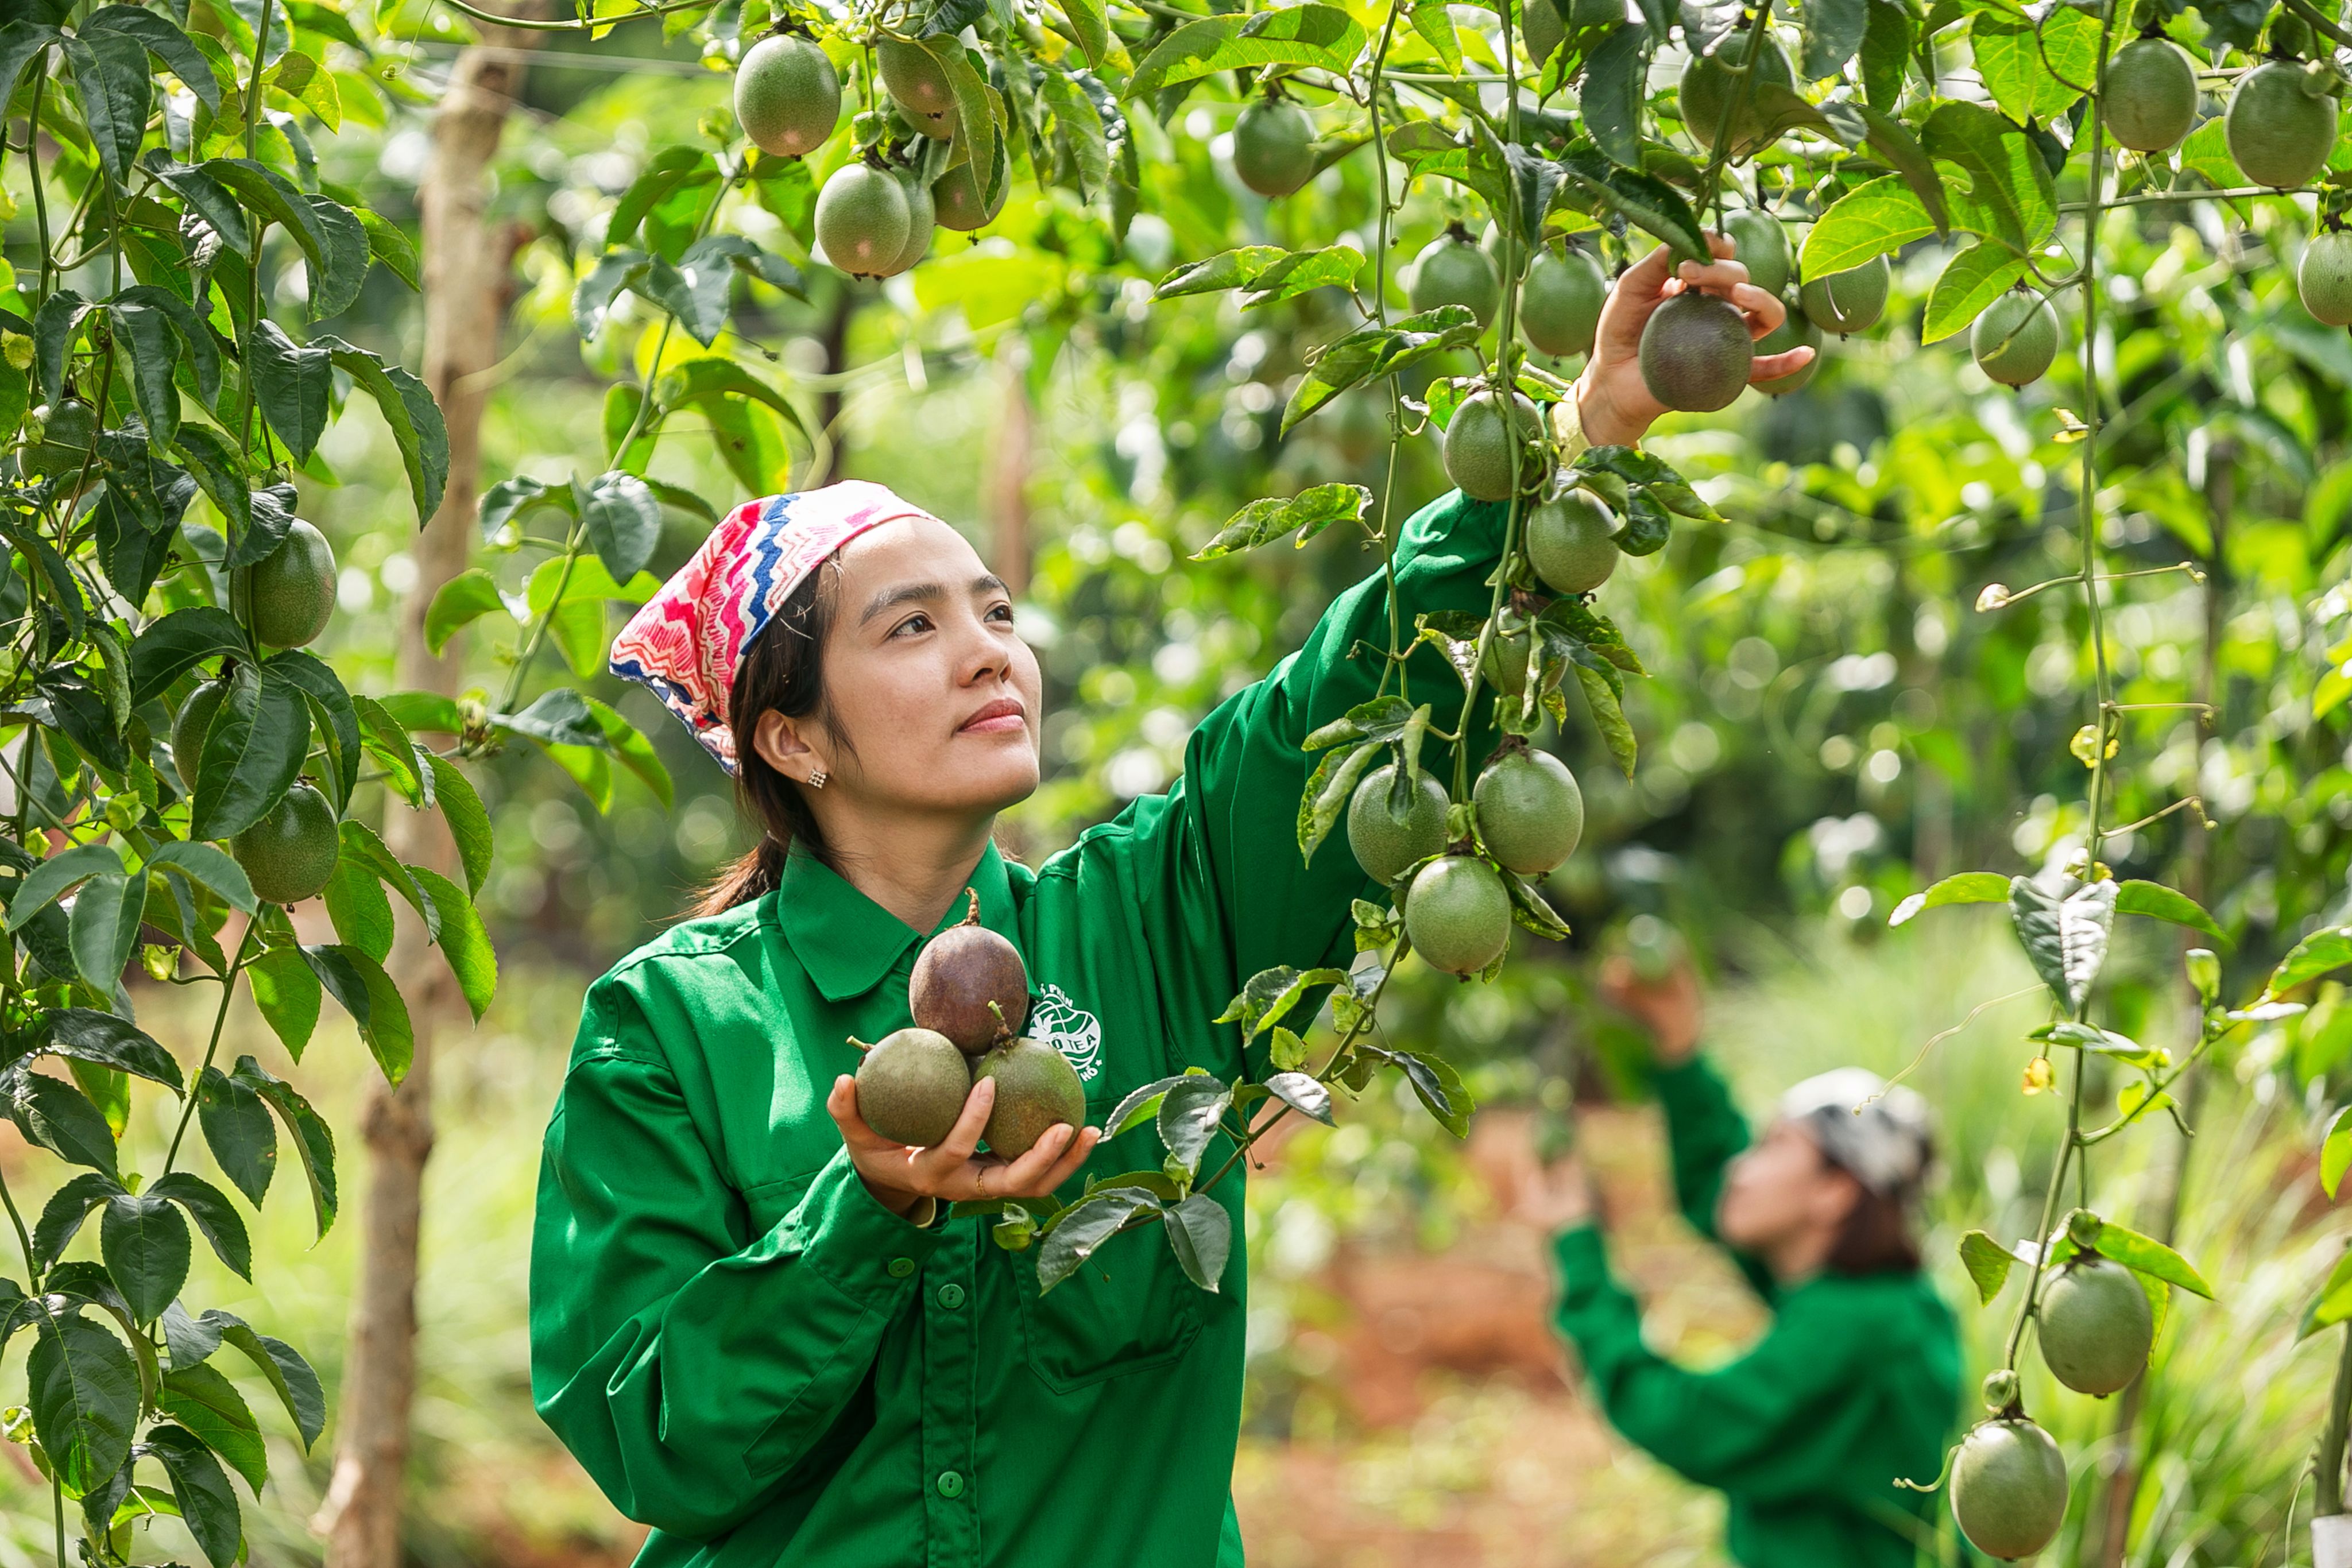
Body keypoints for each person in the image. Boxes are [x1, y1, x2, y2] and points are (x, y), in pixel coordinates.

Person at [527, 239, 1807, 1568]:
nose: (987, 653)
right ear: (792, 739)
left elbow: (1345, 693)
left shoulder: (1155, 918)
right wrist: (868, 1214)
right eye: (912, 628)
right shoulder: (675, 1024)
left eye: (995, 611)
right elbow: (644, 1438)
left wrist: (1580, 429)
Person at [1521, 959, 1962, 1568]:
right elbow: (1715, 1186)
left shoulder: (1857, 1327)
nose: (1741, 1167)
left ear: (1835, 1191)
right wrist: (1677, 1046)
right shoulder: (1879, 1300)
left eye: (1773, 1145)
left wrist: (1578, 1248)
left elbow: (1688, 1421)